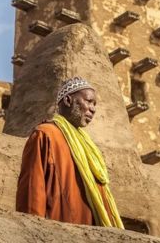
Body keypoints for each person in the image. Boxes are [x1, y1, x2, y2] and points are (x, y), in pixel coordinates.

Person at [16, 77, 123, 228]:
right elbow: (32, 192)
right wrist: (33, 231)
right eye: (88, 101)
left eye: (94, 104)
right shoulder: (45, 135)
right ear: (68, 101)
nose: (93, 109)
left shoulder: (89, 147)